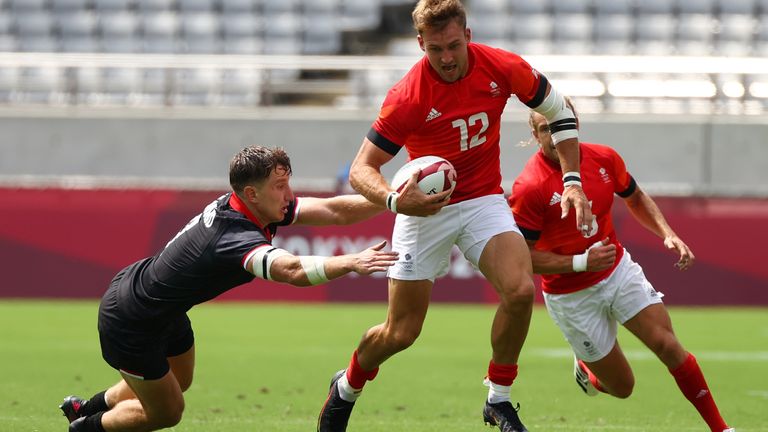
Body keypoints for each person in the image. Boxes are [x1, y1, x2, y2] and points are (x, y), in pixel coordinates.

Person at [316, 1, 594, 431]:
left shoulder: (502, 66)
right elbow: (360, 170)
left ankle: (498, 399)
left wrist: (572, 179)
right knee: (401, 333)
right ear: (420, 44)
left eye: (452, 46)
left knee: (520, 292)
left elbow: (560, 112)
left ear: (467, 34)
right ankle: (348, 385)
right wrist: (394, 200)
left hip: (483, 198)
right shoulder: (409, 95)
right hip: (423, 210)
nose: (445, 58)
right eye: (434, 49)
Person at [59, 146, 399, 432]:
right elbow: (291, 270)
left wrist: (393, 201)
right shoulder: (231, 237)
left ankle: (84, 407)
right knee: (167, 411)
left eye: (287, 183)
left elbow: (332, 211)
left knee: (178, 380)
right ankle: (87, 428)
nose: (289, 194)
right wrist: (352, 261)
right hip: (133, 320)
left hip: (160, 304)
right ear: (252, 193)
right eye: (280, 186)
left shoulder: (250, 206)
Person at [508, 100, 734, 432]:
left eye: (561, 126)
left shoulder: (603, 158)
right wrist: (581, 262)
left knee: (668, 346)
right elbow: (519, 258)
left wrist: (667, 233)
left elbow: (635, 196)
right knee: (623, 387)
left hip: (616, 271)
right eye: (546, 129)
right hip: (571, 297)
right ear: (533, 133)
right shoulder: (530, 187)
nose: (555, 137)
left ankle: (721, 429)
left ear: (575, 124)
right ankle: (588, 369)